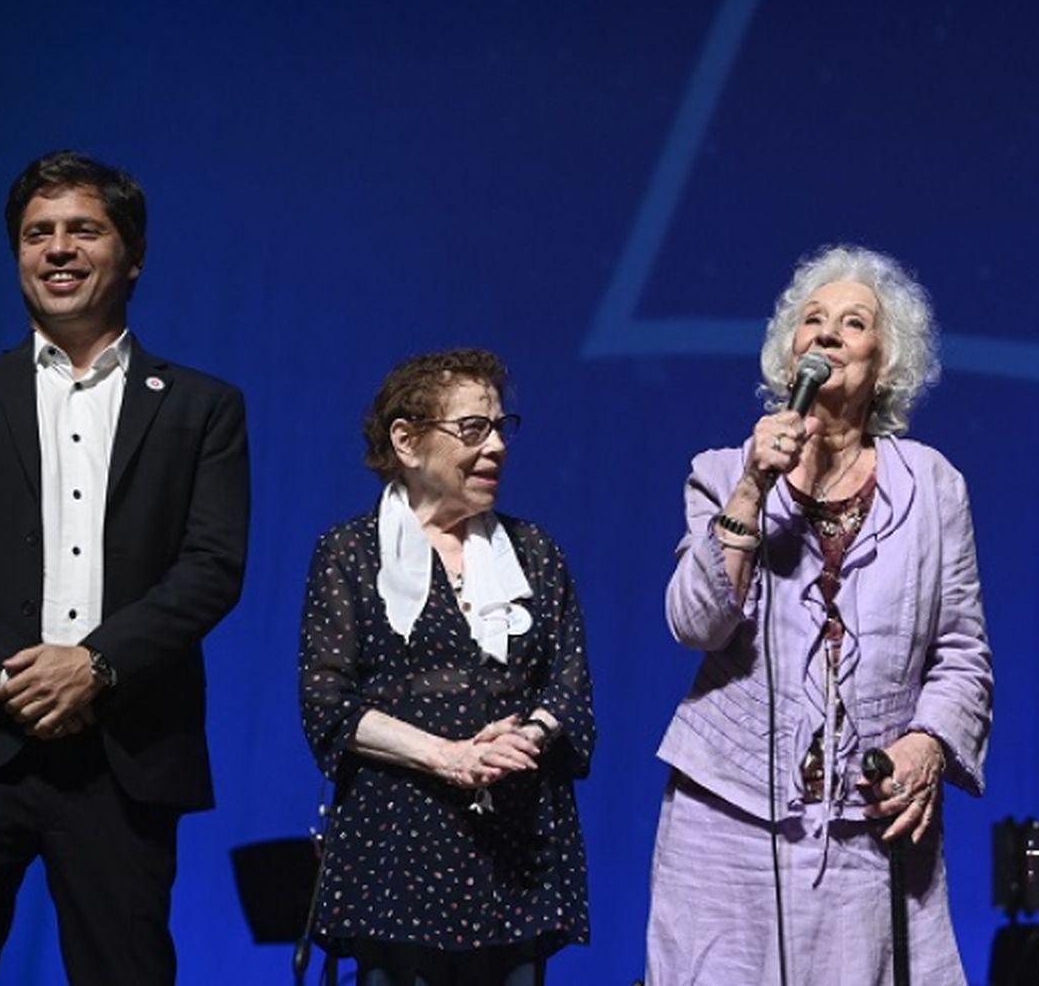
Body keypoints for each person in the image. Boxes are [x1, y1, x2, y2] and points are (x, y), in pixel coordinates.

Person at [0, 151, 250, 984]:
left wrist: (94, 667)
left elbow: (212, 566)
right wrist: (9, 673)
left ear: (132, 255)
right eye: (37, 234)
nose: (57, 249)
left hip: (123, 754)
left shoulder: (204, 407)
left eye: (83, 230)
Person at [645, 245, 993, 986]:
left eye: (853, 322)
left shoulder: (934, 487)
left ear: (886, 363)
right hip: (725, 819)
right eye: (812, 321)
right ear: (790, 351)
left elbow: (962, 653)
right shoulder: (720, 472)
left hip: (870, 828)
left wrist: (928, 745)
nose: (828, 334)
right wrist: (750, 488)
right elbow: (695, 623)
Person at [299, 348, 593, 986]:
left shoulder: (535, 555)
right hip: (398, 849)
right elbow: (328, 703)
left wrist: (525, 737)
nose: (495, 448)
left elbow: (570, 690)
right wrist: (446, 755)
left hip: (514, 852)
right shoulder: (350, 554)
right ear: (406, 441)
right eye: (472, 430)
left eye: (500, 428)